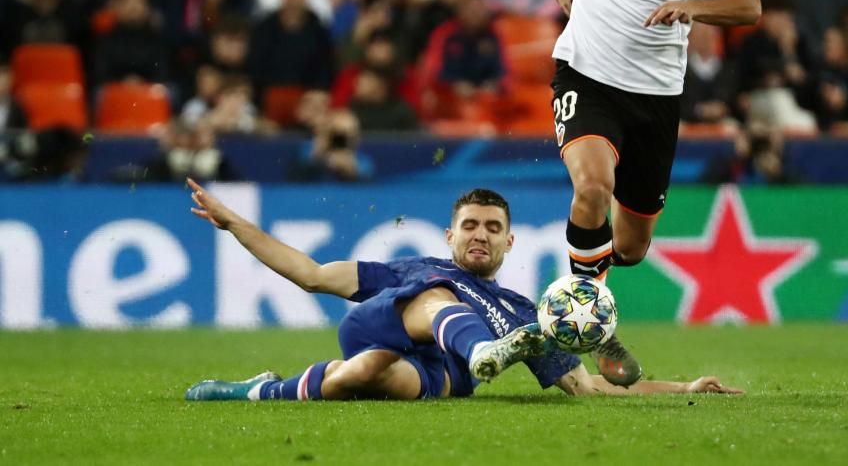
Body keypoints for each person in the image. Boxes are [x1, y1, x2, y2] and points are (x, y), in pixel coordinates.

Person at [551, 0, 761, 386]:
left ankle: (579, 278)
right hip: (585, 72)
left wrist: (692, 6)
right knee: (592, 188)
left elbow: (748, 5)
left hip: (655, 94)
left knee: (633, 244)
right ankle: (589, 324)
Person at [184, 182, 741, 402]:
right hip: (391, 320)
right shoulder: (413, 268)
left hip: (429, 374)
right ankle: (481, 351)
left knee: (368, 373)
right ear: (451, 234)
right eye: (471, 226)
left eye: (492, 228)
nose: (480, 235)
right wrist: (237, 226)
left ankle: (255, 392)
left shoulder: (525, 312)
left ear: (509, 242)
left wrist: (685, 385)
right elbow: (309, 273)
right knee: (436, 298)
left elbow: (590, 386)